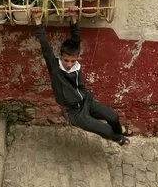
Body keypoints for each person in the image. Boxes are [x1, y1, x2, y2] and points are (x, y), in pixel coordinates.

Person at [32, 8, 132, 146]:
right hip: (75, 112)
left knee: (113, 116)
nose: (69, 64)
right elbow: (45, 47)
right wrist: (38, 22)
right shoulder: (55, 67)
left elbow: (76, 39)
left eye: (72, 61)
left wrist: (73, 19)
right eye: (66, 60)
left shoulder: (76, 65)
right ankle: (117, 138)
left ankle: (119, 130)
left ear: (77, 57)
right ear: (61, 56)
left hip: (86, 101)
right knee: (105, 129)